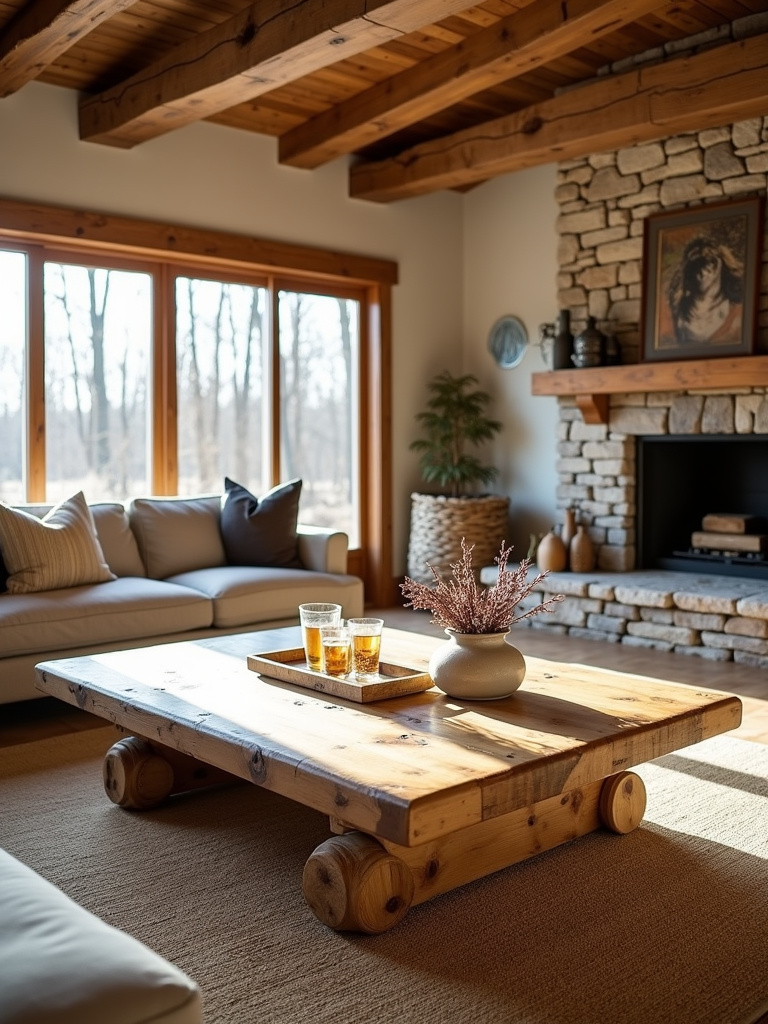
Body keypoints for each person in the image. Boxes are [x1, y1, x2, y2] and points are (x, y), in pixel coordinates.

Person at [666, 236, 744, 346]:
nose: (703, 271)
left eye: (711, 263)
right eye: (696, 266)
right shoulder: (679, 316)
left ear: (718, 265)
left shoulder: (738, 315)